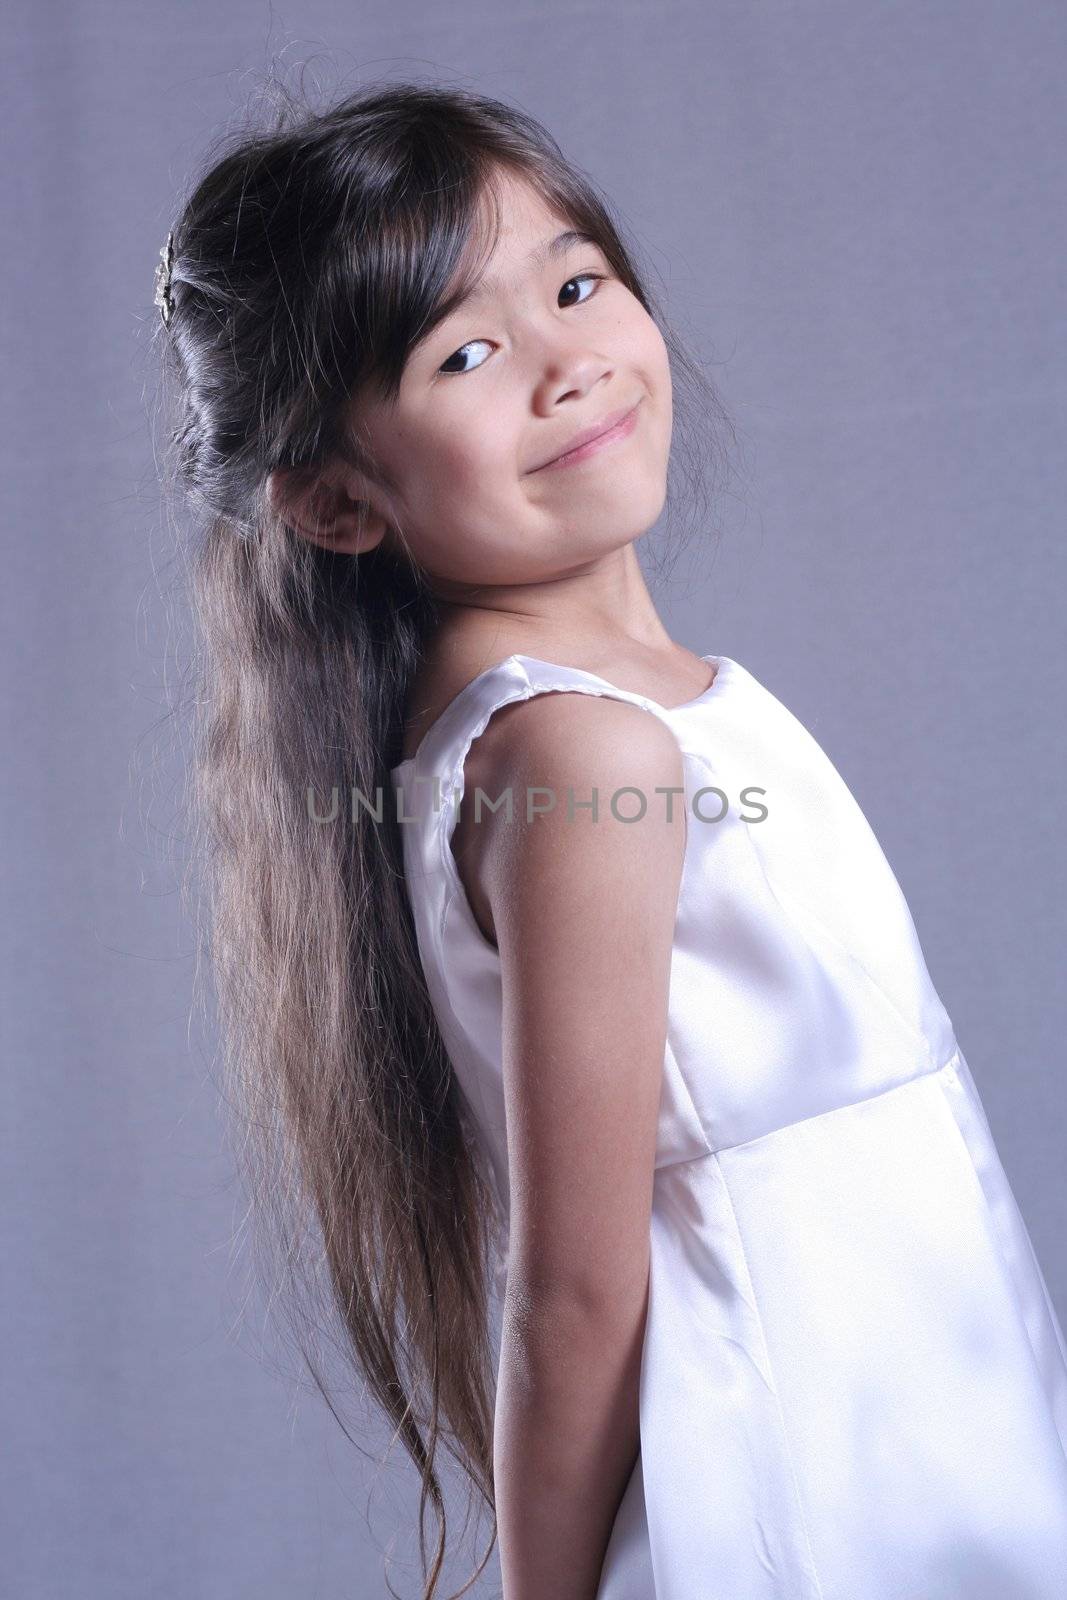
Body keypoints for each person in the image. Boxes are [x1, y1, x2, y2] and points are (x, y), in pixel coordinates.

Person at [153, 78, 1067, 1600]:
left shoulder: (655, 713)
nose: (569, 362)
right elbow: (572, 1293)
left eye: (576, 283)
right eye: (466, 352)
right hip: (811, 1491)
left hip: (938, 1436)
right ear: (334, 502)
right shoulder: (580, 753)